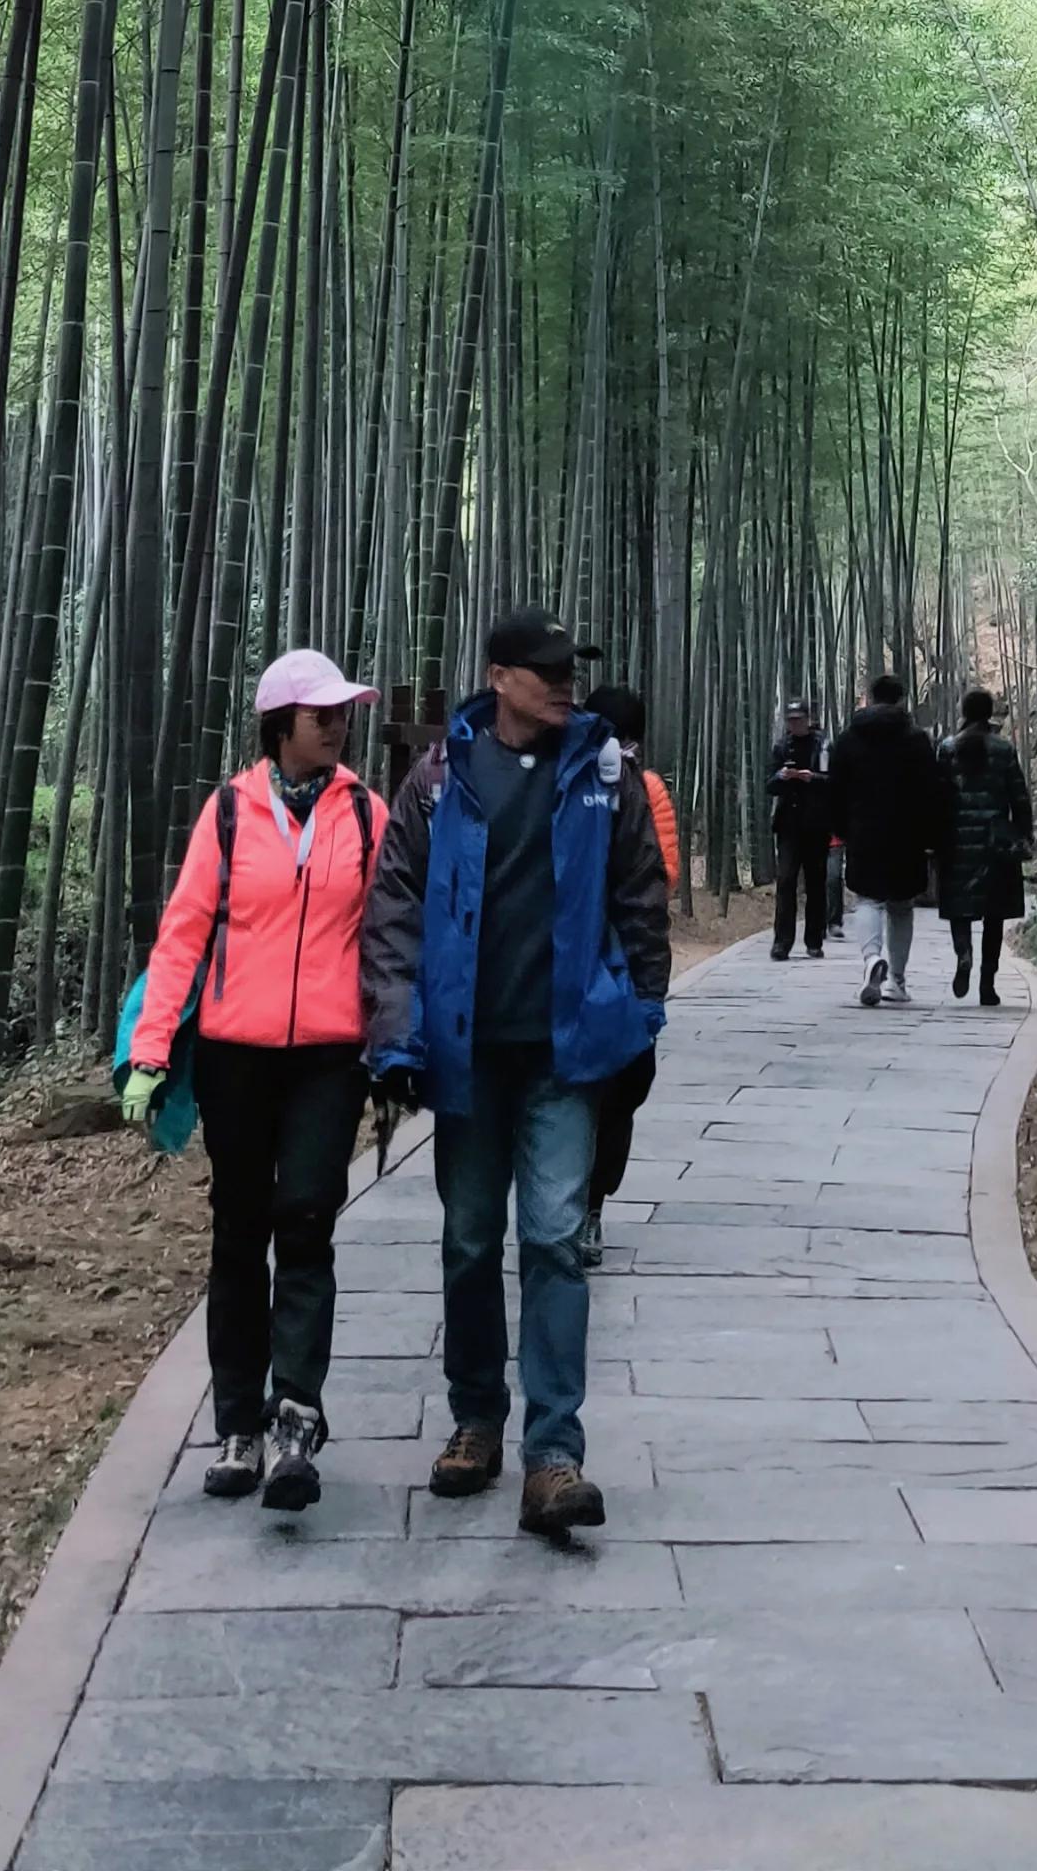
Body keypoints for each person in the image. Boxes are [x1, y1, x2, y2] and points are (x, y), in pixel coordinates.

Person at [361, 607, 670, 1536]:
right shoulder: (442, 776)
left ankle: (554, 1454)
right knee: (466, 1242)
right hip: (465, 1055)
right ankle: (474, 1421)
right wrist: (393, 1031)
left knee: (552, 1241)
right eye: (543, 669)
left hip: (563, 1054)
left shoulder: (603, 773)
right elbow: (395, 909)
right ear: (499, 676)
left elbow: (642, 898)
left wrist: (639, 1012)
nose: (563, 682)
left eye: (569, 667)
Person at [122, 644, 381, 1512]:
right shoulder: (230, 813)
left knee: (305, 1218)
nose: (337, 726)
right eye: (321, 716)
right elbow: (184, 933)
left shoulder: (367, 814)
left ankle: (296, 1418)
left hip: (330, 1056)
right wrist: (152, 1050)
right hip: (236, 1052)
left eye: (343, 713)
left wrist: (401, 1047)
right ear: (281, 726)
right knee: (239, 1233)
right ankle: (237, 1423)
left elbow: (390, 938)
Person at [578, 682, 676, 1255]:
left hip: (618, 965)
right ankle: (584, 1206)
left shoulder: (639, 787)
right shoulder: (563, 776)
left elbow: (656, 875)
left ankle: (587, 1202)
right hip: (599, 963)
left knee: (616, 1090)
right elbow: (665, 875)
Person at [827, 670, 944, 1007]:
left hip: (863, 830)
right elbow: (931, 790)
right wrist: (932, 834)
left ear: (871, 697)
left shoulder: (849, 738)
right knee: (901, 906)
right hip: (907, 833)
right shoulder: (917, 739)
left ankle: (870, 959)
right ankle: (896, 981)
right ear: (901, 699)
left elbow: (835, 788)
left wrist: (839, 826)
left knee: (867, 899)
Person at [936, 687, 1033, 1005]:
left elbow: (936, 797)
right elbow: (1019, 796)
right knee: (994, 914)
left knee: (959, 910)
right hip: (996, 844)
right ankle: (987, 984)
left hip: (956, 841)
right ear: (989, 713)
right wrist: (1024, 834)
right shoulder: (1004, 750)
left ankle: (963, 954)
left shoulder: (947, 748)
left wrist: (933, 839)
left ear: (964, 712)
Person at [767, 702, 830, 961]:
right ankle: (782, 942)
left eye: (799, 719)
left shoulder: (823, 745)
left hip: (816, 824)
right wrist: (783, 777)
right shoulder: (782, 747)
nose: (795, 724)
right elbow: (768, 785)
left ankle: (814, 940)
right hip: (789, 825)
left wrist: (811, 778)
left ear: (808, 719)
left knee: (816, 883)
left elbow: (833, 780)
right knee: (786, 881)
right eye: (791, 720)